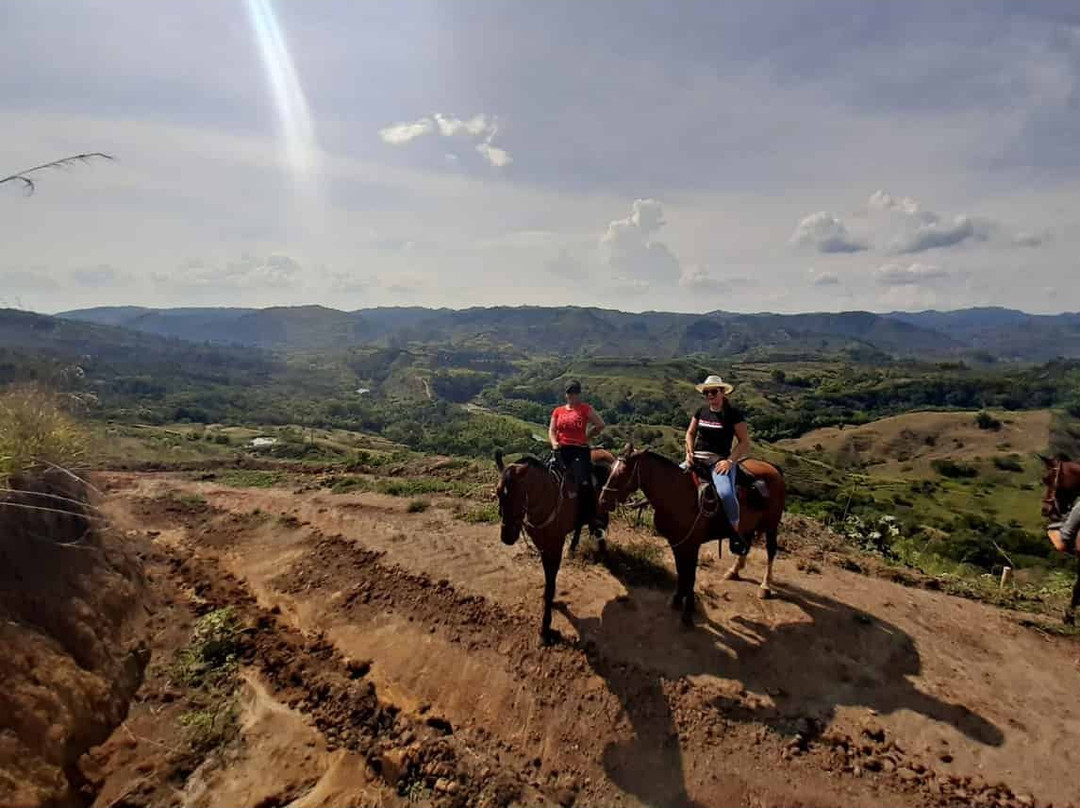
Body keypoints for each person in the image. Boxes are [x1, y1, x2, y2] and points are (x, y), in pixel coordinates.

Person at [684, 374, 750, 542]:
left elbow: (743, 442)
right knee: (670, 480)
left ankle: (735, 531)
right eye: (706, 393)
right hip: (697, 457)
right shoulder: (701, 411)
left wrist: (729, 461)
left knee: (726, 494)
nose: (709, 396)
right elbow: (690, 433)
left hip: (718, 460)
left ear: (722, 393)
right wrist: (689, 452)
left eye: (713, 392)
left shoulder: (733, 415)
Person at [549, 380, 605, 524]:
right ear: (565, 394)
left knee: (583, 482)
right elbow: (552, 430)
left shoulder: (585, 409)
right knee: (545, 472)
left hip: (579, 450)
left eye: (575, 393)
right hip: (561, 449)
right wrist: (554, 442)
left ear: (579, 394)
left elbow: (600, 424)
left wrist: (588, 437)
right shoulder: (558, 411)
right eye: (569, 393)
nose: (572, 396)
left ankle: (590, 515)